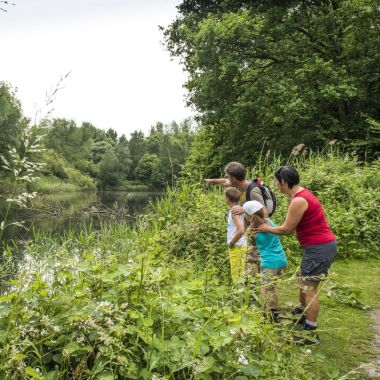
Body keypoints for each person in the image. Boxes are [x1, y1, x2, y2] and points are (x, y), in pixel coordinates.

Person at [251, 166, 337, 344]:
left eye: (276, 181)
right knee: (303, 281)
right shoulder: (303, 194)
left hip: (319, 247)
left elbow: (287, 229)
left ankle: (310, 332)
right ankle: (302, 310)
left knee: (310, 288)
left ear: (283, 182)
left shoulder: (298, 200)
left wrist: (266, 228)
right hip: (317, 246)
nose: (275, 185)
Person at [206, 162, 265, 275]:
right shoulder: (238, 186)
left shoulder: (252, 190)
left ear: (233, 177)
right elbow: (224, 182)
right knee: (248, 261)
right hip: (247, 231)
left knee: (253, 260)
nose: (227, 179)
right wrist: (211, 181)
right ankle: (250, 285)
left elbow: (263, 210)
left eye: (228, 176)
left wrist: (244, 209)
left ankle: (252, 287)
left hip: (256, 230)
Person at [243, 201, 288, 322]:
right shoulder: (270, 223)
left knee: (265, 289)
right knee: (273, 287)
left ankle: (267, 316)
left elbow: (252, 253)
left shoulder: (251, 232)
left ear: (248, 216)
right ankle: (273, 313)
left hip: (269, 263)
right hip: (282, 260)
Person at [224, 187, 247, 284]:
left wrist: (232, 242)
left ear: (227, 199)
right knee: (243, 273)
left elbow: (241, 230)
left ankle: (239, 298)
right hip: (242, 244)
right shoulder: (239, 209)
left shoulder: (234, 211)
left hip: (237, 246)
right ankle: (245, 297)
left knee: (237, 275)